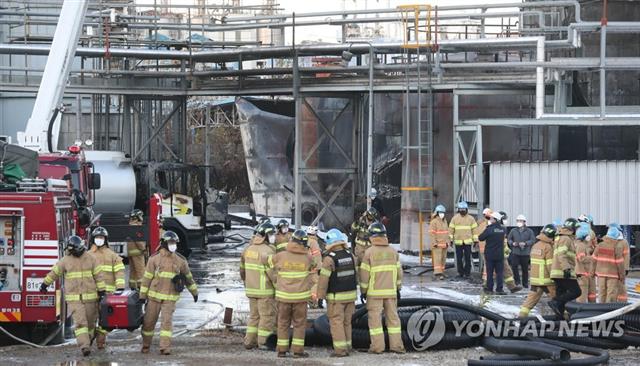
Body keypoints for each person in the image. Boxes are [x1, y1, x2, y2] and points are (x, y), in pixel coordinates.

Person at [40, 235, 105, 356]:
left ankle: (89, 339)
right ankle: (85, 346)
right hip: (74, 300)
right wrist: (45, 284)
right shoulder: (65, 260)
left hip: (91, 298)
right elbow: (55, 272)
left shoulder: (91, 258)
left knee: (90, 323)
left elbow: (99, 275)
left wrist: (102, 291)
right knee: (80, 323)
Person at [140, 231, 198, 355]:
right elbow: (146, 279)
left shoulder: (180, 261)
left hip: (170, 299)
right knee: (148, 324)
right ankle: (146, 346)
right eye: (171, 242)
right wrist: (142, 296)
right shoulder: (154, 259)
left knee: (166, 323)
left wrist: (194, 292)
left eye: (174, 243)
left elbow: (188, 278)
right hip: (154, 298)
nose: (173, 245)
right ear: (164, 243)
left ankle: (164, 348)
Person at [359, 222, 405, 354]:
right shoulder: (392, 251)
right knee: (394, 320)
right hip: (391, 293)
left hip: (374, 294)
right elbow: (399, 272)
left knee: (375, 322)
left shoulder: (369, 253)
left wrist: (363, 291)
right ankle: (397, 346)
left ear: (371, 236)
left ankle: (377, 347)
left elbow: (364, 275)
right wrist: (397, 288)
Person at [268, 229, 314, 358]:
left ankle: (282, 350)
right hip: (300, 298)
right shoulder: (308, 258)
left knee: (282, 323)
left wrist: (275, 280)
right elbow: (315, 267)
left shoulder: (280, 256)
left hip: (283, 297)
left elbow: (269, 264)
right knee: (299, 324)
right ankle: (298, 351)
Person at [317, 229, 357, 357]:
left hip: (336, 298)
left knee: (336, 322)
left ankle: (340, 350)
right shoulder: (351, 256)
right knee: (347, 322)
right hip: (351, 296)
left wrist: (320, 296)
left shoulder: (329, 259)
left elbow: (323, 280)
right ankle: (348, 346)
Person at [240, 222, 277, 350]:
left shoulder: (248, 250)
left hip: (251, 290)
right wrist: (280, 288)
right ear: (265, 236)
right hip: (265, 291)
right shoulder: (268, 251)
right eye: (271, 234)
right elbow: (274, 274)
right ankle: (263, 342)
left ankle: (249, 342)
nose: (274, 237)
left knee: (254, 317)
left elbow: (242, 271)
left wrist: (247, 282)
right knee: (267, 317)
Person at [89, 226, 125, 349]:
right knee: (90, 318)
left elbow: (119, 271)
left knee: (105, 320)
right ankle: (88, 342)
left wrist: (120, 287)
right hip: (91, 293)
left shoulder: (112, 255)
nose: (99, 239)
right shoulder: (87, 255)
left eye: (102, 237)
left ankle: (100, 342)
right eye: (97, 237)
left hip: (108, 295)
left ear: (106, 239)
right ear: (93, 239)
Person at [519, 225, 557, 318]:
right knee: (557, 300)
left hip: (535, 281)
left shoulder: (536, 245)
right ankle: (566, 320)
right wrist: (556, 278)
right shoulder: (548, 247)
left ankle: (521, 318)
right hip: (546, 281)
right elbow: (550, 266)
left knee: (529, 303)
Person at [548, 218, 581, 318]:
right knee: (576, 291)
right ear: (572, 228)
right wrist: (566, 269)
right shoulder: (566, 238)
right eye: (576, 228)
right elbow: (562, 255)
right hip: (562, 272)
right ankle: (555, 302)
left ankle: (559, 318)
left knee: (561, 296)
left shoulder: (561, 237)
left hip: (558, 272)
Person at [592, 226, 625, 303]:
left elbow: (593, 260)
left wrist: (592, 272)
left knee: (602, 293)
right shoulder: (617, 247)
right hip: (613, 275)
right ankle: (609, 310)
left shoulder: (599, 245)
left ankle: (601, 310)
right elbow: (620, 263)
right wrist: (622, 276)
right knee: (611, 294)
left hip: (601, 274)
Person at [478, 212, 507, 295]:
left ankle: (490, 289)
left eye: (491, 218)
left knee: (490, 272)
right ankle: (499, 289)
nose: (490, 220)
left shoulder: (489, 229)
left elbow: (481, 238)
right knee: (499, 273)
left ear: (495, 219)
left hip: (490, 254)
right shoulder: (503, 229)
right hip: (499, 254)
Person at [449, 201, 478, 279]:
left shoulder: (471, 219)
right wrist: (451, 240)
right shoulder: (455, 218)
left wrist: (475, 240)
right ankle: (460, 272)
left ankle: (467, 273)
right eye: (461, 209)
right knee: (459, 258)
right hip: (458, 241)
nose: (462, 211)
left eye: (463, 209)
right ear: (459, 209)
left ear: (466, 209)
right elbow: (451, 230)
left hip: (468, 242)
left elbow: (475, 230)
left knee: (468, 258)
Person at [507, 215, 535, 288]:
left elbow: (532, 240)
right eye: (518, 221)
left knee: (525, 269)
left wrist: (525, 243)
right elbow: (509, 239)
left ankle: (525, 283)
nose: (519, 222)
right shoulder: (513, 230)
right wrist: (512, 243)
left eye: (520, 221)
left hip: (525, 253)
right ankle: (517, 281)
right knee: (514, 267)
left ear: (524, 222)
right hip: (515, 252)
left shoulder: (529, 231)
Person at [575, 223, 596, 303]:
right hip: (582, 274)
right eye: (588, 235)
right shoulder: (580, 245)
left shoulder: (584, 245)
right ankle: (580, 310)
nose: (589, 237)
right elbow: (582, 259)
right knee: (582, 295)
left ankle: (592, 308)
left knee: (592, 293)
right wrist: (593, 258)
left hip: (587, 273)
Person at [127, 209, 147, 290]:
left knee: (133, 271)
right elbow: (139, 240)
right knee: (140, 270)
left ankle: (132, 285)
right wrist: (143, 248)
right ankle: (141, 286)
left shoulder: (130, 226)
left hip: (131, 252)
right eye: (141, 216)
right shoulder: (136, 227)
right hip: (138, 252)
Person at [429, 204, 450, 280]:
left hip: (444, 244)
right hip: (437, 245)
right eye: (440, 212)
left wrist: (448, 242)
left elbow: (447, 232)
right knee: (437, 259)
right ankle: (437, 273)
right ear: (437, 213)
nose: (442, 214)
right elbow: (432, 234)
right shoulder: (434, 222)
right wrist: (434, 243)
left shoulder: (445, 221)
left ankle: (442, 272)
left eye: (443, 212)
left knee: (443, 259)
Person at [610, 223, 630, 302]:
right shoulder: (609, 240)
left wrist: (625, 269)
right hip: (611, 268)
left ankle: (622, 303)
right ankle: (612, 303)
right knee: (612, 287)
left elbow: (626, 256)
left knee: (621, 287)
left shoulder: (623, 242)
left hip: (620, 268)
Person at [306, 225, 323, 308]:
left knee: (308, 286)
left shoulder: (305, 240)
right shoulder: (314, 242)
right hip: (313, 269)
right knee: (316, 284)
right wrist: (319, 268)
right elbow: (317, 256)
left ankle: (310, 301)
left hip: (306, 269)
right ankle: (313, 301)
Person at [475, 208, 493, 275]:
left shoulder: (481, 223)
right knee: (487, 262)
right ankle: (487, 276)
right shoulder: (483, 223)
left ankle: (486, 275)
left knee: (486, 262)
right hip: (486, 246)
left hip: (485, 246)